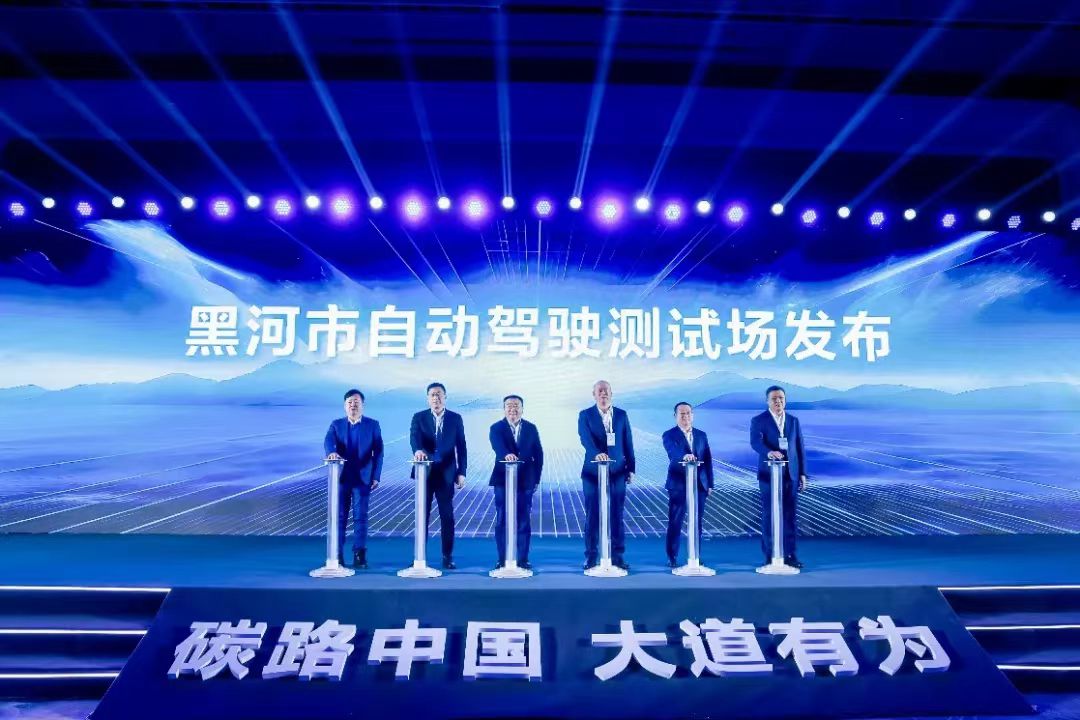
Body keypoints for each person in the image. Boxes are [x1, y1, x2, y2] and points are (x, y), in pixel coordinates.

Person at [577, 380, 635, 570]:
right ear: (594, 394)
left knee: (617, 514)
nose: (603, 394)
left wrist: (631, 468)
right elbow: (585, 439)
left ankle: (617, 556)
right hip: (593, 472)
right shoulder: (585, 415)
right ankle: (591, 557)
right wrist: (596, 453)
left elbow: (628, 442)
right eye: (599, 391)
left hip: (617, 472)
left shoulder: (621, 415)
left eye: (606, 391)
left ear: (611, 393)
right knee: (592, 514)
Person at [323, 389, 384, 569]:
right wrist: (331, 452)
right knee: (339, 517)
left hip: (363, 479)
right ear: (345, 406)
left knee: (361, 517)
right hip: (341, 478)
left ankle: (359, 555)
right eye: (349, 402)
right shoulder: (336, 425)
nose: (353, 405)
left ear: (362, 405)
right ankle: (337, 554)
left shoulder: (373, 425)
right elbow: (328, 441)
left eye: (356, 402)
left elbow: (379, 452)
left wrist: (376, 476)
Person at [410, 382, 467, 569]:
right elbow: (414, 438)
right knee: (422, 516)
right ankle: (419, 556)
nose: (436, 398)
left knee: (447, 516)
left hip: (446, 474)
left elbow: (461, 447)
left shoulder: (455, 418)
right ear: (428, 398)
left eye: (439, 394)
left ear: (445, 397)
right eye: (433, 395)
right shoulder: (419, 417)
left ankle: (447, 556)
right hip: (424, 473)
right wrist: (418, 450)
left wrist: (462, 472)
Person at [750, 385, 808, 569]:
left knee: (790, 515)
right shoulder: (759, 420)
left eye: (781, 398)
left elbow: (799, 447)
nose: (778, 401)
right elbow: (755, 442)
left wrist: (802, 473)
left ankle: (790, 554)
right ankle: (770, 554)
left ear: (785, 400)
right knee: (769, 515)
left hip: (791, 474)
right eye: (774, 398)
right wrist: (769, 452)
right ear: (767, 401)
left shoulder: (793, 420)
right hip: (769, 475)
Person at [488, 395, 543, 570]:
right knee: (502, 518)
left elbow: (539, 454)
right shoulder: (496, 428)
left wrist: (536, 479)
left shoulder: (531, 428)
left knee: (524, 519)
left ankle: (522, 559)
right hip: (502, 480)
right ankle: (502, 558)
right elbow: (498, 446)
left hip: (526, 480)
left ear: (522, 409)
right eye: (509, 406)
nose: (513, 409)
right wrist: (506, 454)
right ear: (504, 409)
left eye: (516, 405)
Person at [661, 402, 714, 567]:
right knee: (675, 521)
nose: (685, 416)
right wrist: (684, 456)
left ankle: (695, 554)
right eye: (682, 414)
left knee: (697, 521)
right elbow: (672, 452)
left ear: (693, 415)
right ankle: (672, 556)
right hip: (678, 484)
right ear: (675, 416)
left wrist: (710, 483)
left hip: (700, 484)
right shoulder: (669, 435)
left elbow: (708, 459)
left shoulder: (701, 435)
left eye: (688, 413)